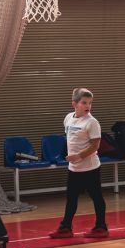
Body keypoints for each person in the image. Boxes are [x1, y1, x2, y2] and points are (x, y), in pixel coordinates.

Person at [49, 88, 108, 239]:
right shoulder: (68, 118)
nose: (88, 106)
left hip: (90, 168)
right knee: (71, 198)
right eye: (84, 103)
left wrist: (79, 156)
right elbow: (70, 139)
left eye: (90, 103)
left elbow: (95, 146)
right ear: (74, 104)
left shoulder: (92, 122)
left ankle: (101, 227)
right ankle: (66, 228)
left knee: (96, 197)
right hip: (74, 169)